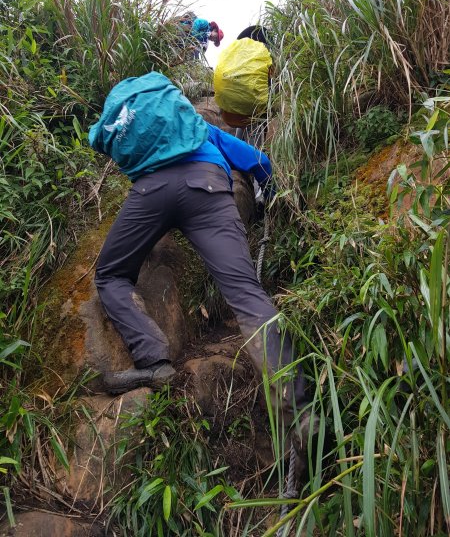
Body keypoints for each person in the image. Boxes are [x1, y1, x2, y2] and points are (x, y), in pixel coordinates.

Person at [88, 71, 307, 425]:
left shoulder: (150, 143)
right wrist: (270, 194)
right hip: (207, 186)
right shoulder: (200, 130)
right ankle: (297, 411)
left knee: (111, 273)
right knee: (246, 294)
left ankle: (154, 361)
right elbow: (259, 161)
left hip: (150, 193)